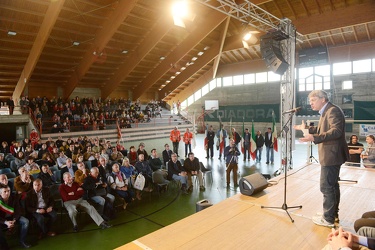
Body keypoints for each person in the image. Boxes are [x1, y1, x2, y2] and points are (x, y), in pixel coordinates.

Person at [294, 90, 349, 228]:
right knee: (333, 185)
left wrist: (314, 138)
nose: (310, 103)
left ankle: (328, 219)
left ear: (323, 99)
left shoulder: (332, 111)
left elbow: (336, 131)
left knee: (326, 186)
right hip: (332, 154)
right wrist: (305, 128)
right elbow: (321, 129)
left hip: (332, 155)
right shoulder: (327, 111)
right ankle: (332, 214)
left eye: (313, 100)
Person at [0, 184, 30, 249]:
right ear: (0, 193)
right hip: (2, 220)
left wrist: (14, 220)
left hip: (12, 218)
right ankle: (4, 245)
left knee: (26, 221)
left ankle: (22, 241)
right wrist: (6, 222)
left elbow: (18, 211)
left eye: (8, 191)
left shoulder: (13, 198)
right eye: (5, 191)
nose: (7, 193)